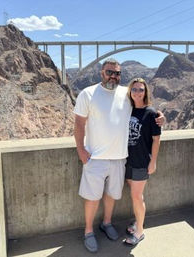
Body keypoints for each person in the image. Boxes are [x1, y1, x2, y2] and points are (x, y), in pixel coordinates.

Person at [73, 58, 163, 253]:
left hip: (120, 158)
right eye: (109, 72)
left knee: (112, 195)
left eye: (117, 73)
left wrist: (160, 117)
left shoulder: (126, 93)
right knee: (92, 197)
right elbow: (79, 124)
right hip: (95, 158)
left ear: (121, 75)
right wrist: (81, 150)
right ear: (101, 73)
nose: (113, 76)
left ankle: (106, 223)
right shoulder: (87, 94)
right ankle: (88, 231)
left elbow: (144, 107)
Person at [124, 78, 161, 246]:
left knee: (137, 197)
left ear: (145, 92)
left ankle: (139, 232)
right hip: (128, 160)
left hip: (142, 161)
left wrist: (153, 161)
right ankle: (138, 222)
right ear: (130, 92)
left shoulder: (152, 113)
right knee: (136, 195)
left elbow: (156, 139)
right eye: (134, 89)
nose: (137, 92)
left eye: (140, 89)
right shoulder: (127, 110)